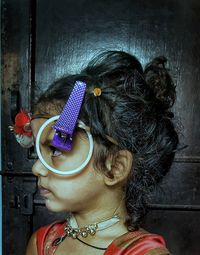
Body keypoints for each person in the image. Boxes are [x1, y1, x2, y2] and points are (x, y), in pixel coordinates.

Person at [24, 50, 178, 255]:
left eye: (55, 150)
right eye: (37, 152)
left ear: (115, 167)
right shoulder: (42, 243)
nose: (37, 168)